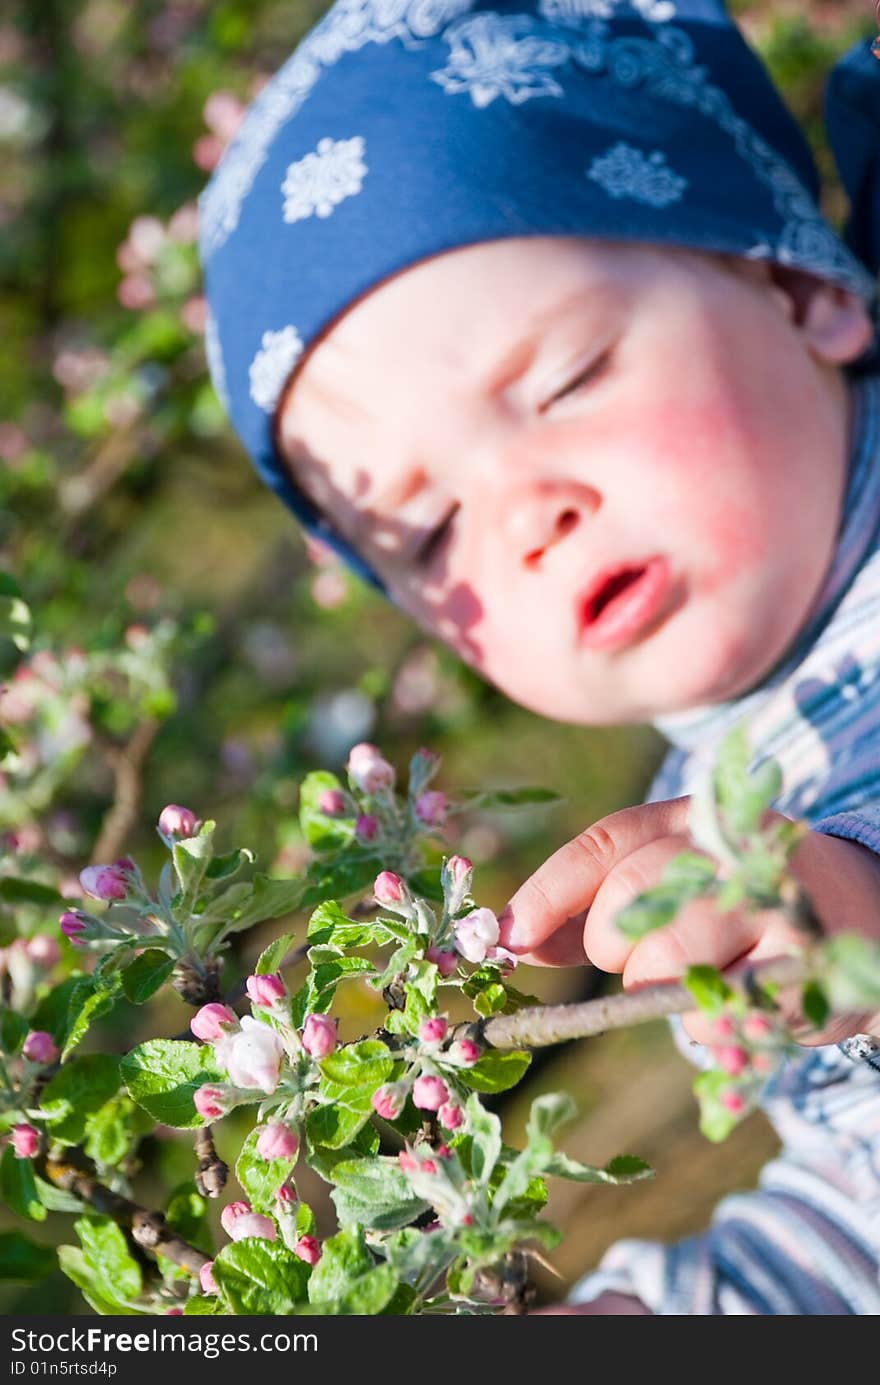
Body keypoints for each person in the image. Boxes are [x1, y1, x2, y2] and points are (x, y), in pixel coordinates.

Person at [199, 0, 880, 1313]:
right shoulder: (693, 832)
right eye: (427, 528)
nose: (524, 517)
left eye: (567, 378)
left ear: (797, 285)